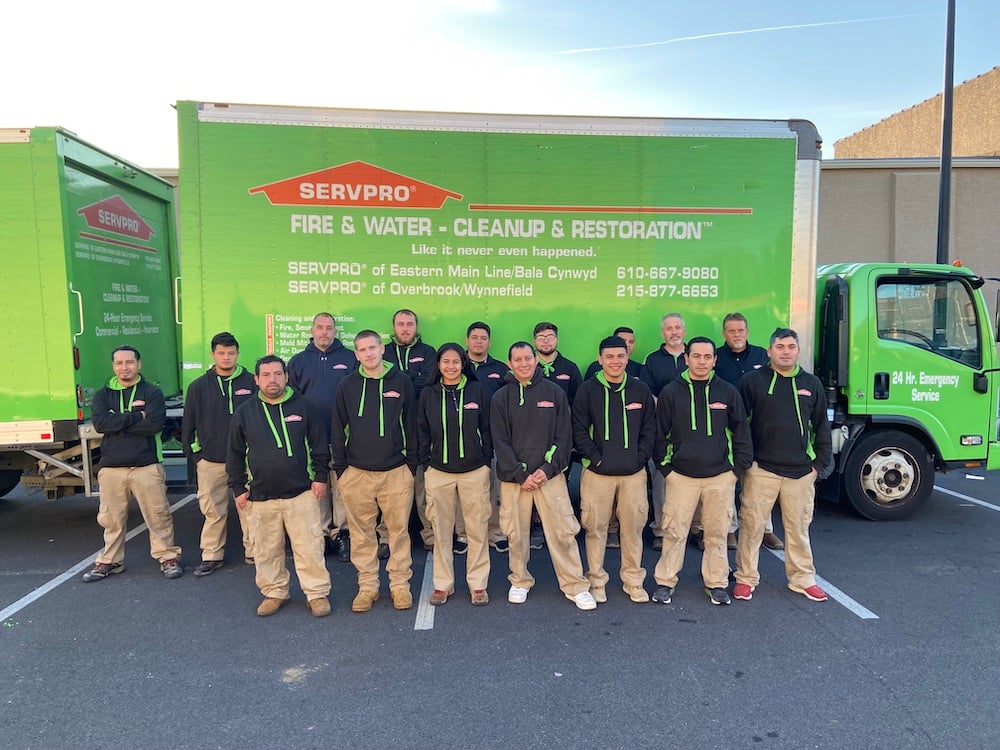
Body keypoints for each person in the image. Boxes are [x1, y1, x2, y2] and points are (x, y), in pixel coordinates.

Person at [491, 342, 596, 611]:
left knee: (563, 531)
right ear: (510, 363)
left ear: (536, 360)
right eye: (518, 359)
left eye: (528, 358)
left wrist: (546, 470)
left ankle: (575, 585)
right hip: (516, 480)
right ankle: (520, 580)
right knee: (516, 534)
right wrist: (519, 473)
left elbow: (564, 437)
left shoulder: (555, 392)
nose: (524, 363)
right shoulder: (501, 397)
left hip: (549, 477)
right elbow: (500, 441)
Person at [650, 337, 752, 606]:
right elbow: (659, 435)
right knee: (674, 531)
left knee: (717, 533)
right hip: (681, 477)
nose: (702, 361)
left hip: (720, 477)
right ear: (686, 358)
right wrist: (666, 469)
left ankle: (716, 583)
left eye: (708, 357)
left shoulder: (728, 392)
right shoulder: (672, 392)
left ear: (714, 360)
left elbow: (741, 432)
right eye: (697, 356)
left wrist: (736, 470)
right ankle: (665, 581)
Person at [733, 328, 833, 604]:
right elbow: (740, 425)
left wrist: (818, 465)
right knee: (752, 526)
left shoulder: (811, 384)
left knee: (798, 528)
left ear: (798, 351)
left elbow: (822, 426)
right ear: (769, 352)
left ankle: (802, 579)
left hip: (801, 472)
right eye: (780, 347)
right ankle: (745, 577)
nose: (785, 351)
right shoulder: (752, 382)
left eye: (791, 346)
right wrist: (746, 462)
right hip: (761, 469)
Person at [227, 355, 332, 617]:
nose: (272, 380)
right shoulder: (245, 412)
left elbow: (319, 445)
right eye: (265, 375)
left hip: (302, 493)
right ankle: (274, 593)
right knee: (266, 551)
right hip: (260, 497)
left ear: (286, 376)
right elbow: (235, 453)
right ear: (256, 380)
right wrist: (238, 487)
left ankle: (316, 594)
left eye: (277, 374)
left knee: (309, 547)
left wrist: (320, 478)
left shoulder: (305, 406)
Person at [332, 330, 418, 613]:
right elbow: (337, 429)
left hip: (395, 472)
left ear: (382, 349)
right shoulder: (347, 385)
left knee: (398, 532)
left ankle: (399, 586)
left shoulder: (401, 382)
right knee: (362, 534)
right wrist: (343, 470)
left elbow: (412, 425)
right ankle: (367, 587)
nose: (368, 354)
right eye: (362, 350)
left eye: (373, 348)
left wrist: (410, 465)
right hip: (357, 473)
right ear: (356, 354)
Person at [82, 346, 183, 582]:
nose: (124, 367)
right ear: (113, 366)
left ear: (139, 364)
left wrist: (116, 421)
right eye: (119, 363)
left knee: (158, 516)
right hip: (112, 469)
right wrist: (137, 416)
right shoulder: (102, 395)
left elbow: (154, 425)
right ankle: (110, 561)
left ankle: (167, 557)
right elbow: (101, 425)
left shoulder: (152, 392)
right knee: (111, 519)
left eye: (129, 362)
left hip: (146, 466)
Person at [572, 336, 657, 604]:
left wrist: (639, 459)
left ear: (627, 357)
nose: (615, 361)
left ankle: (633, 581)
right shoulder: (587, 390)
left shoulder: (639, 390)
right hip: (597, 475)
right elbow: (578, 430)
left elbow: (649, 429)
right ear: (600, 359)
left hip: (633, 474)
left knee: (632, 530)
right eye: (609, 357)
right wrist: (596, 459)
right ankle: (596, 580)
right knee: (595, 529)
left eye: (620, 356)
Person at [418, 343, 492, 606]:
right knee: (441, 530)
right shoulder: (428, 394)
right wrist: (427, 463)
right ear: (438, 365)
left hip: (474, 472)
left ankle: (478, 585)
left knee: (477, 529)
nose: (451, 367)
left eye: (456, 362)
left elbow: (487, 428)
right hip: (439, 472)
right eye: (446, 362)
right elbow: (422, 431)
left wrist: (485, 461)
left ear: (464, 364)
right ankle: (443, 584)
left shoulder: (477, 390)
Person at [181, 331, 257, 575]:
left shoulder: (251, 383)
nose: (226, 357)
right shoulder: (198, 387)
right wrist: (197, 456)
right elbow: (188, 425)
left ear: (237, 354)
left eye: (231, 353)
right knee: (213, 510)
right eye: (221, 353)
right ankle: (212, 554)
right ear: (213, 354)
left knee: (250, 507)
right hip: (211, 460)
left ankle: (254, 551)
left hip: (246, 459)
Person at [287, 313, 357, 562]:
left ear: (335, 331)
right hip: (311, 437)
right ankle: (323, 534)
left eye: (329, 328)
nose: (324, 332)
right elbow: (290, 400)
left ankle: (343, 534)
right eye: (320, 327)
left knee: (342, 488)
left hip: (343, 436)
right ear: (312, 329)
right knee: (318, 487)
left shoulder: (350, 358)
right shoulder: (297, 362)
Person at [713, 312, 784, 552]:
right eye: (731, 331)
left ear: (747, 332)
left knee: (760, 482)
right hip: (725, 427)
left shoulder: (760, 356)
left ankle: (765, 530)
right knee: (729, 481)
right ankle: (730, 530)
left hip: (757, 427)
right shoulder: (717, 358)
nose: (736, 335)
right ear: (724, 334)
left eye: (740, 330)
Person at [384, 308, 436, 551]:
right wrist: (409, 379)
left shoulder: (428, 353)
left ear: (416, 327)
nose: (405, 328)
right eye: (401, 324)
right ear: (394, 327)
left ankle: (431, 537)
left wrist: (399, 380)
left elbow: (426, 385)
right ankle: (386, 539)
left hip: (421, 432)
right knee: (391, 494)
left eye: (410, 324)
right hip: (391, 433)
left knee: (424, 491)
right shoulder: (383, 352)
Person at [641, 312, 689, 550]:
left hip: (693, 429)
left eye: (677, 328)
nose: (674, 332)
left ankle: (697, 528)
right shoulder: (653, 359)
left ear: (684, 331)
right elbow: (648, 391)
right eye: (669, 328)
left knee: (696, 477)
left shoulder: (695, 355)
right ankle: (660, 529)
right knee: (661, 477)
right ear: (663, 333)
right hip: (663, 427)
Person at [464, 321, 509, 553]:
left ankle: (495, 532)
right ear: (467, 341)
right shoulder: (457, 366)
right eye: (475, 337)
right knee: (466, 489)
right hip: (464, 437)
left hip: (494, 437)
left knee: (494, 487)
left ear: (489, 342)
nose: (479, 341)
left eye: (483, 338)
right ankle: (463, 534)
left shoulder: (501, 369)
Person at [533, 322, 582, 403]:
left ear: (557, 340)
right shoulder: (526, 367)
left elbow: (579, 400)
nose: (546, 341)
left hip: (562, 415)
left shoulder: (570, 368)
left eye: (550, 337)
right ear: (534, 341)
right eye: (541, 337)